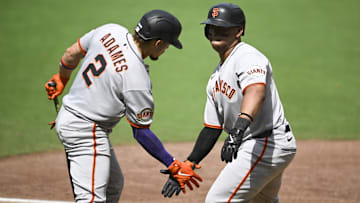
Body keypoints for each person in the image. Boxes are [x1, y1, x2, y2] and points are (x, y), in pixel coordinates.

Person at [44, 10, 201, 203]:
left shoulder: (110, 31)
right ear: (158, 43)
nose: (166, 49)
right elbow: (141, 132)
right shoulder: (137, 80)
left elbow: (71, 54)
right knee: (91, 200)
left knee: (113, 186)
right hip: (85, 131)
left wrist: (62, 77)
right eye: (168, 44)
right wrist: (173, 164)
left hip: (72, 116)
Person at [166, 3, 297, 202]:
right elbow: (212, 128)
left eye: (223, 27)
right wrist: (190, 163)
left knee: (217, 200)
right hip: (262, 145)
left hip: (265, 143)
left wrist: (237, 131)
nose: (216, 32)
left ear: (239, 31)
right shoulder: (215, 78)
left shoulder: (247, 56)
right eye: (212, 27)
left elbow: (256, 92)